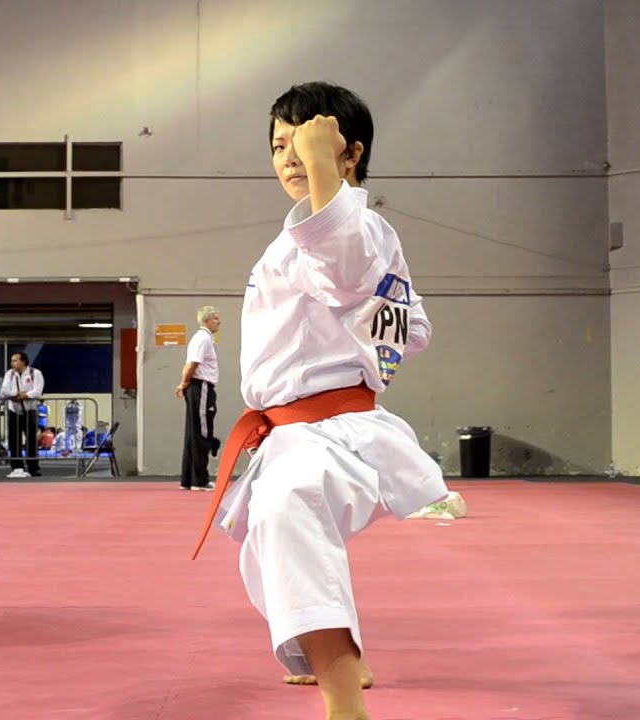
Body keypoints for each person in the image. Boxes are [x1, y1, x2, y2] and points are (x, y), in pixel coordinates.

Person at [193, 82, 447, 720]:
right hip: (292, 427)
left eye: (305, 145)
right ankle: (345, 657)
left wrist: (327, 179)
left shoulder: (351, 228)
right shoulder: (307, 238)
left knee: (288, 514)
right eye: (279, 145)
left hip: (331, 426)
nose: (288, 158)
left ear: (348, 154)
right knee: (268, 547)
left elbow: (347, 271)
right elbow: (410, 330)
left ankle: (343, 703)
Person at [176, 305, 221, 491]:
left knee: (193, 433)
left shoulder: (203, 339)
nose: (219, 322)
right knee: (202, 433)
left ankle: (188, 479)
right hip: (201, 386)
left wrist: (184, 384)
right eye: (216, 318)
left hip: (198, 386)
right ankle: (200, 480)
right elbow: (192, 365)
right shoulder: (203, 339)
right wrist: (183, 383)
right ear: (207, 321)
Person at [0, 351, 43, 477]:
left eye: (15, 360)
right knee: (14, 440)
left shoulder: (35, 373)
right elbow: (4, 390)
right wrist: (16, 394)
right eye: (12, 361)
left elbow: (37, 391)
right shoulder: (10, 374)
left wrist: (26, 395)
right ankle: (17, 467)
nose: (12, 363)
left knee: (31, 440)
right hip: (14, 411)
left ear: (23, 361)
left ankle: (33, 467)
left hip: (30, 411)